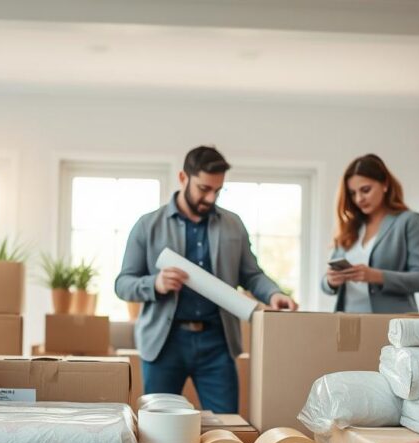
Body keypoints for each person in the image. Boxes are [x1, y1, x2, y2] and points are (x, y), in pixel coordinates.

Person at [115, 146, 297, 413]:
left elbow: (251, 274)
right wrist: (155, 284)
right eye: (203, 188)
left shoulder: (233, 224)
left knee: (227, 429)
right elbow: (122, 284)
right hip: (164, 343)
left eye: (218, 190)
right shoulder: (147, 225)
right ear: (183, 177)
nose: (210, 197)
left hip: (217, 342)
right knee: (159, 430)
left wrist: (273, 294)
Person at [322, 154, 419, 312]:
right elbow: (325, 284)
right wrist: (331, 281)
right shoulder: (350, 227)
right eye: (353, 193)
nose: (359, 199)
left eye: (365, 190)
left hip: (391, 324)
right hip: (349, 324)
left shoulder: (409, 221)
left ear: (385, 184)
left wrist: (375, 276)